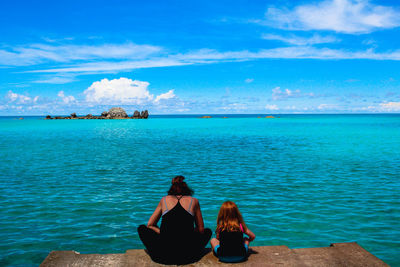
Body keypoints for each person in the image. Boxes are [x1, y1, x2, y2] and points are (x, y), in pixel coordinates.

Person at [137, 176, 212, 265]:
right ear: (186, 188)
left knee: (141, 228)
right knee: (208, 231)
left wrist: (162, 232)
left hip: (163, 256)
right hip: (188, 256)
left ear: (172, 188)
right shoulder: (194, 201)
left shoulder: (164, 200)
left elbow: (150, 225)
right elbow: (201, 230)